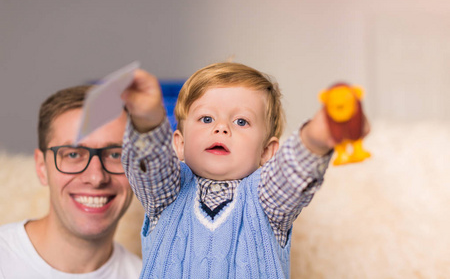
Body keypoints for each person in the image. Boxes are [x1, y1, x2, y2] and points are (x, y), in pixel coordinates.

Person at [121, 62, 368, 278]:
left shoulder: (266, 198)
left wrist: (317, 136)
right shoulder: (167, 194)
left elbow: (292, 172)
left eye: (241, 121)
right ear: (180, 144)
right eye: (206, 119)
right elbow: (149, 163)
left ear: (266, 152)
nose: (221, 128)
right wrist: (147, 119)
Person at [0, 86, 141, 278]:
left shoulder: (145, 274)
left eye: (115, 155)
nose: (96, 177)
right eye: (73, 154)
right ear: (42, 167)